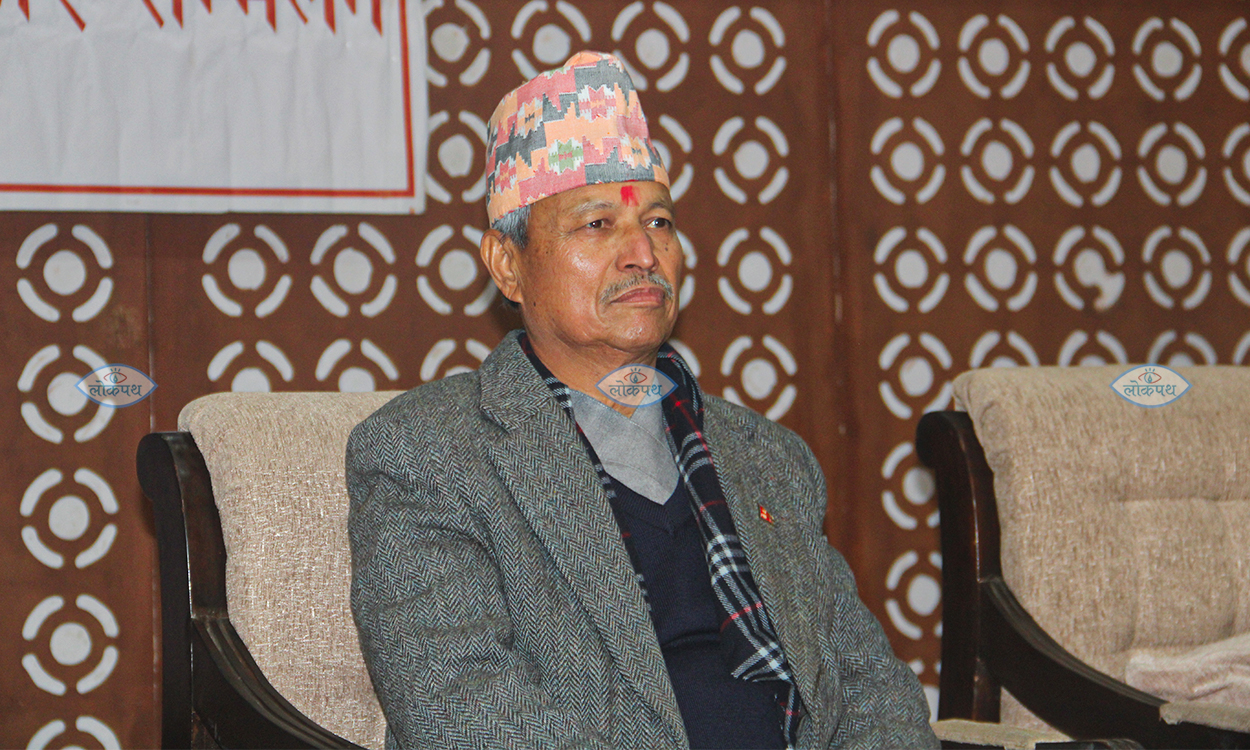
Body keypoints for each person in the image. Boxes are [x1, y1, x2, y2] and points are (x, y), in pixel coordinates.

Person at [347, 50, 937, 750]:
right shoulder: (429, 454)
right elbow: (463, 715)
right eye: (597, 225)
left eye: (658, 223)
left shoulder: (769, 457)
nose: (643, 255)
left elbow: (872, 690)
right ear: (508, 265)